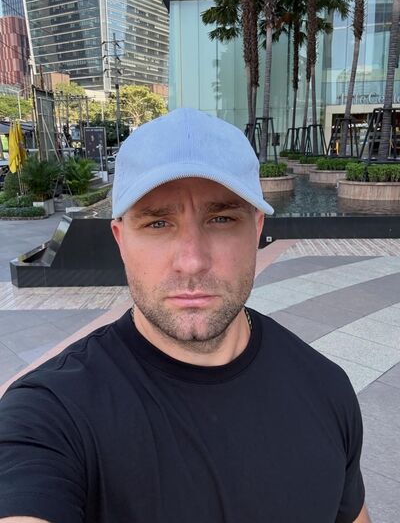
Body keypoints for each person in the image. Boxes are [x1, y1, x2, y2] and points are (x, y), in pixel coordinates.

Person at [0, 108, 370, 523]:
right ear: (121, 241)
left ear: (256, 229)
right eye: (158, 223)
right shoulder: (49, 415)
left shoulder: (325, 388)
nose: (192, 261)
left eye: (221, 218)